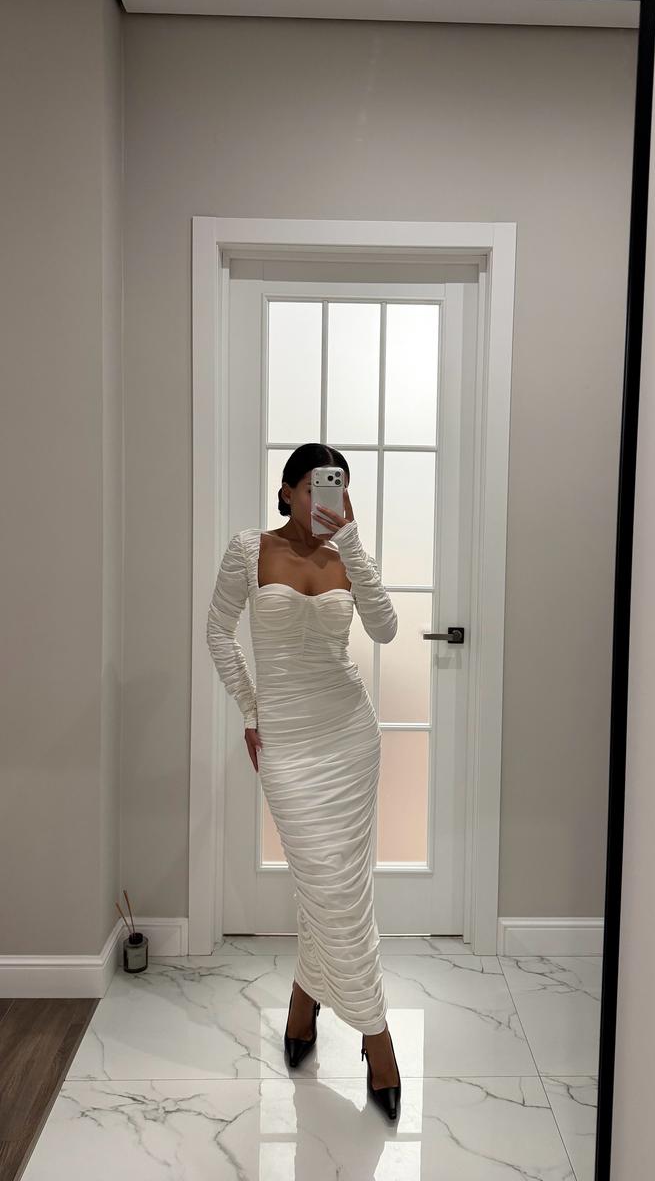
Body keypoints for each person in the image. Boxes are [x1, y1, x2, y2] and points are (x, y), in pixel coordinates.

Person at [206, 443, 402, 1119]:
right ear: (288, 490)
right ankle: (377, 1035)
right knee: (327, 884)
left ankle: (303, 1002)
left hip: (351, 735)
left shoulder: (346, 553)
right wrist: (251, 708)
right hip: (287, 741)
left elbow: (386, 630)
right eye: (316, 486)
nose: (327, 497)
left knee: (342, 886)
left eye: (338, 487)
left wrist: (352, 542)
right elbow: (217, 632)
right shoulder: (249, 549)